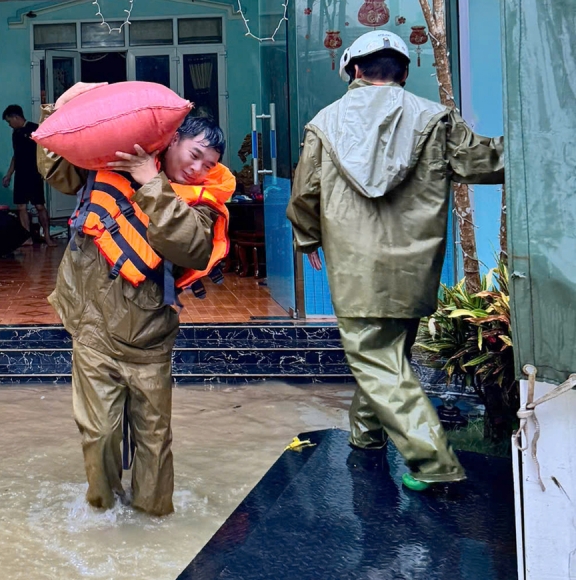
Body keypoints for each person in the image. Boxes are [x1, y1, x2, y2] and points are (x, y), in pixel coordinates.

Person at [286, 30, 505, 491]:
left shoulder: (324, 124)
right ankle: (366, 436)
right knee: (389, 356)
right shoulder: (436, 119)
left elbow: (305, 193)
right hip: (414, 267)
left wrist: (307, 239)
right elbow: (487, 163)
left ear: (354, 70)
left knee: (377, 361)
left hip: (356, 269)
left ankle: (435, 464)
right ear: (404, 73)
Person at [38, 82, 235, 516]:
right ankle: (102, 515)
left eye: (209, 164)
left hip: (150, 337)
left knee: (154, 439)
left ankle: (154, 519)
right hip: (93, 327)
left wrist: (154, 183)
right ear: (173, 140)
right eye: (194, 155)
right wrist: (60, 106)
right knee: (99, 434)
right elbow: (57, 169)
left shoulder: (202, 204)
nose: (198, 169)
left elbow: (192, 247)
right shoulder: (112, 163)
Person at [2, 105, 54, 246]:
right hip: (20, 175)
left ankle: (47, 236)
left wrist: (45, 171)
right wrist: (9, 174)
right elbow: (16, 156)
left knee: (39, 206)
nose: (9, 125)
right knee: (21, 207)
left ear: (16, 117)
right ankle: (27, 238)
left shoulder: (35, 129)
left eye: (9, 121)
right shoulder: (15, 134)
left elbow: (45, 153)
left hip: (34, 174)